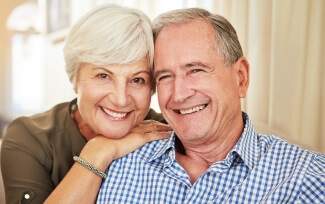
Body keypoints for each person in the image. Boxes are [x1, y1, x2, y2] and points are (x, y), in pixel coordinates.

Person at [97, 7, 325, 203]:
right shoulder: (119, 165)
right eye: (164, 76)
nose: (179, 94)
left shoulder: (309, 179)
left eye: (195, 70)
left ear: (241, 78)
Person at [1, 4, 172, 204]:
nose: (121, 99)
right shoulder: (28, 137)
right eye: (103, 75)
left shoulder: (169, 135)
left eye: (137, 80)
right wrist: (97, 153)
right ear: (75, 79)